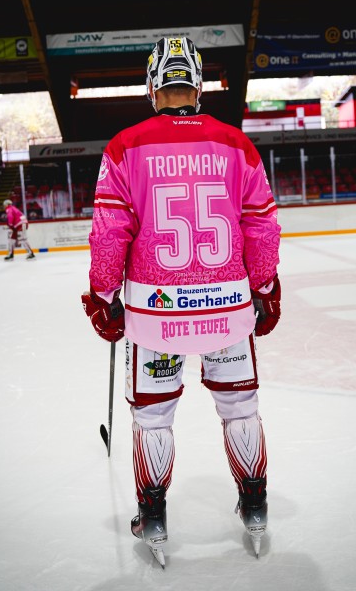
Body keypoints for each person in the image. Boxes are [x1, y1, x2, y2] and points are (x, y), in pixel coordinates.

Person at [81, 37, 281, 567]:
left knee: (153, 419)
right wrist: (264, 288)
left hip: (154, 317)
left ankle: (153, 515)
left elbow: (109, 232)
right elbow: (260, 226)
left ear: (153, 87)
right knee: (240, 405)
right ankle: (255, 504)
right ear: (197, 83)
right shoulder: (237, 144)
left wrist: (103, 296)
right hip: (226, 310)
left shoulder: (125, 146)